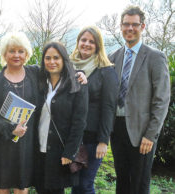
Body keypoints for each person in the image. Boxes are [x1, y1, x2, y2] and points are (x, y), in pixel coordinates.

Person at [108, 6, 170, 194]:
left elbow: (162, 99)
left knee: (139, 184)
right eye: (126, 24)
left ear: (142, 26)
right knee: (122, 181)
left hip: (142, 132)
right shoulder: (113, 57)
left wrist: (151, 135)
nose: (130, 28)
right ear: (121, 26)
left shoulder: (155, 57)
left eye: (135, 24)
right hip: (117, 129)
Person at [0, 32, 39, 194]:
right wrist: (10, 128)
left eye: (21, 51)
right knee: (2, 186)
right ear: (4, 54)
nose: (16, 55)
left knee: (22, 186)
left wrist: (80, 74)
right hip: (1, 142)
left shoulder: (35, 74)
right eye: (12, 51)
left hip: (26, 143)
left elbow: (59, 68)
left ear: (26, 54)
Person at [34, 42, 88, 194]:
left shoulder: (76, 84)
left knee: (56, 190)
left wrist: (69, 152)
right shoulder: (39, 81)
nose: (52, 62)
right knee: (41, 189)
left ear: (64, 59)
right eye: (48, 58)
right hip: (38, 149)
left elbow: (79, 122)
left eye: (56, 58)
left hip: (60, 151)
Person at [70, 26, 118, 194]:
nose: (86, 44)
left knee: (85, 185)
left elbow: (109, 107)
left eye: (91, 41)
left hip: (93, 138)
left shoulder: (106, 71)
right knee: (75, 184)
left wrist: (103, 141)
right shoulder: (69, 66)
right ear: (78, 42)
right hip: (73, 136)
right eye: (83, 40)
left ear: (98, 45)